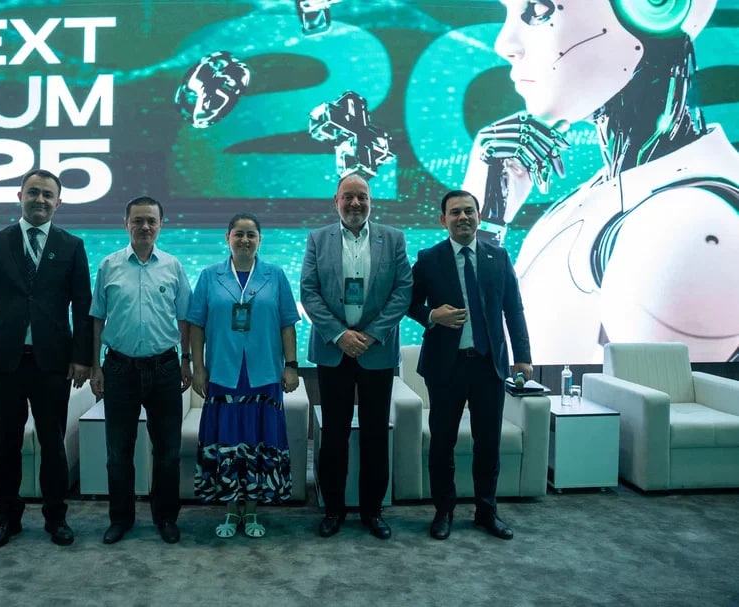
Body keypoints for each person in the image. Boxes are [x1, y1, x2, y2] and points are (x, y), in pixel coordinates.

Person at [463, 0, 738, 363]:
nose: (505, 44)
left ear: (653, 7)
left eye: (540, 9)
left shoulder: (683, 223)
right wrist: (485, 222)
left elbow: (656, 399)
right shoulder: (619, 195)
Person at [0, 168, 92, 551]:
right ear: (20, 196)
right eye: (33, 192)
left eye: (47, 195)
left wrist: (83, 358)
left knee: (53, 444)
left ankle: (56, 517)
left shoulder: (72, 245)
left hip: (53, 364)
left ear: (59, 202)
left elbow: (82, 307)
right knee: (6, 444)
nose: (40, 200)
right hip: (4, 362)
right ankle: (7, 518)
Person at [407, 189, 532, 541]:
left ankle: (486, 511)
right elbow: (408, 303)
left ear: (478, 216)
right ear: (443, 220)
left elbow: (514, 309)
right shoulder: (429, 258)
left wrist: (523, 356)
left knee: (488, 443)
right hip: (445, 367)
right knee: (442, 443)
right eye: (455, 212)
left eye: (468, 211)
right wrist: (432, 315)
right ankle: (443, 511)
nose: (463, 217)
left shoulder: (498, 256)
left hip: (488, 367)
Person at [300, 174, 412, 540]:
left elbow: (403, 291)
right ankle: (333, 509)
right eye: (348, 196)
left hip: (376, 351)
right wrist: (340, 334)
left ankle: (372, 511)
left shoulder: (393, 238)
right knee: (333, 434)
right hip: (333, 351)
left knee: (376, 434)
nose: (355, 203)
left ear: (370, 201)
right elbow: (309, 291)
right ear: (336, 201)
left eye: (362, 196)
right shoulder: (318, 239)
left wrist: (371, 334)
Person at [188, 213, 300, 539]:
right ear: (228, 238)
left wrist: (291, 365)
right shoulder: (209, 276)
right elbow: (196, 326)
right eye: (239, 234)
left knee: (259, 443)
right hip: (223, 374)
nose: (245, 240)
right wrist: (198, 368)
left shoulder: (275, 275)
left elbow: (287, 324)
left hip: (264, 374)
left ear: (260, 240)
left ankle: (251, 510)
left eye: (251, 234)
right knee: (226, 443)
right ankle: (229, 510)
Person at [88, 196, 192, 545]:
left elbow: (185, 317)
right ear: (126, 224)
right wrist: (95, 365)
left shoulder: (173, 266)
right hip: (119, 369)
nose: (145, 226)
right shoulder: (109, 265)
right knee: (118, 452)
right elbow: (97, 318)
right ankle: (121, 519)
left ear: (161, 225)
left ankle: (166, 517)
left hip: (165, 369)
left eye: (151, 221)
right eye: (138, 220)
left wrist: (186, 360)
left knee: (168, 452)